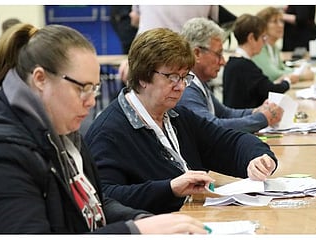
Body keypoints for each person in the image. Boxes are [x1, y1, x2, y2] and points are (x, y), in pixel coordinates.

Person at [0, 23, 209, 234]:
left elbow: (96, 204)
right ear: (40, 79)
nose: (91, 101)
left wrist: (142, 220)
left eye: (94, 88)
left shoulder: (62, 133)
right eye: (82, 88)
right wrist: (134, 231)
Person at [84, 28, 278, 214]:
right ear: (143, 76)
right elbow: (105, 199)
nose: (180, 87)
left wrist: (258, 157)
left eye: (185, 77)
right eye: (172, 77)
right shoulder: (109, 132)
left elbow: (229, 141)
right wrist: (170, 189)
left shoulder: (177, 116)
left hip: (194, 218)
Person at [177, 17, 283, 133]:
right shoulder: (186, 87)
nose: (223, 61)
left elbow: (224, 113)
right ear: (197, 53)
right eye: (218, 54)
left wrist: (257, 111)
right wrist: (262, 118)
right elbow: (211, 127)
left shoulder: (198, 81)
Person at [223, 13, 293, 109]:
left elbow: (260, 87)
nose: (264, 42)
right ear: (251, 38)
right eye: (263, 37)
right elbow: (271, 91)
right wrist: (287, 81)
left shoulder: (232, 62)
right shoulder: (245, 66)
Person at [252, 6, 314, 83]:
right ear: (263, 26)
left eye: (281, 21)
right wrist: (301, 75)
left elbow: (281, 68)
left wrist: (298, 70)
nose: (281, 25)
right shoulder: (259, 47)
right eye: (275, 21)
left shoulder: (274, 46)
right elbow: (272, 75)